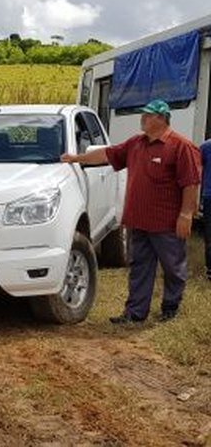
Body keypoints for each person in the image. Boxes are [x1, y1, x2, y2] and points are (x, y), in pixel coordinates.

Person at [62, 99, 201, 323]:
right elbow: (107, 154)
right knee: (140, 268)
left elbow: (191, 183)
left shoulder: (181, 146)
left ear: (161, 118)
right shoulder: (136, 143)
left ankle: (170, 308)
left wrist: (186, 215)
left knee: (173, 268)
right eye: (143, 114)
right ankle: (135, 313)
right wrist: (77, 158)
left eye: (147, 115)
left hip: (166, 223)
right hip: (138, 220)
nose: (142, 119)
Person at [200, 136, 211, 280]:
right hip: (209, 195)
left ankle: (210, 269)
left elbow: (197, 169)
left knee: (210, 234)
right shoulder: (205, 147)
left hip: (209, 196)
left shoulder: (205, 147)